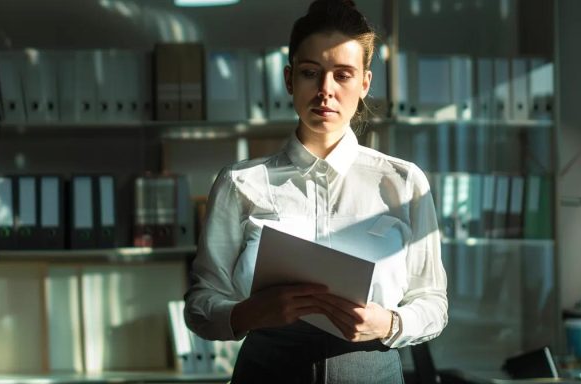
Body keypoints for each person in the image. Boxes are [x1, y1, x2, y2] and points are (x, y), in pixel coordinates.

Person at [183, 0, 448, 382]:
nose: (326, 90)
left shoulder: (403, 183)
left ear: (364, 83)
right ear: (290, 80)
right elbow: (200, 305)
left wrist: (389, 323)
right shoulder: (240, 183)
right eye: (311, 73)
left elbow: (433, 303)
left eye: (342, 75)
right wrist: (250, 313)